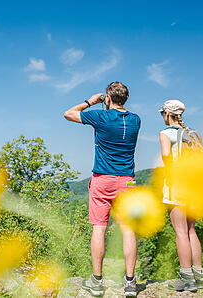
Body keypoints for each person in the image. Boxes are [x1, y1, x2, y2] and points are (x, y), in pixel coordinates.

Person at [64, 81, 141, 297]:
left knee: (99, 228)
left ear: (107, 98)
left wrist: (91, 101)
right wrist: (107, 102)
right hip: (128, 181)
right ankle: (130, 282)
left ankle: (97, 281)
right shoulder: (136, 120)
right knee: (128, 229)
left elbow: (68, 113)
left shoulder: (101, 117)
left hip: (103, 179)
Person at [158, 100, 203, 292]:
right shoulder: (193, 134)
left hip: (177, 185)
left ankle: (186, 278)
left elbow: (166, 156)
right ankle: (199, 275)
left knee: (180, 231)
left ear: (167, 115)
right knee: (191, 230)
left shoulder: (166, 133)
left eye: (162, 113)